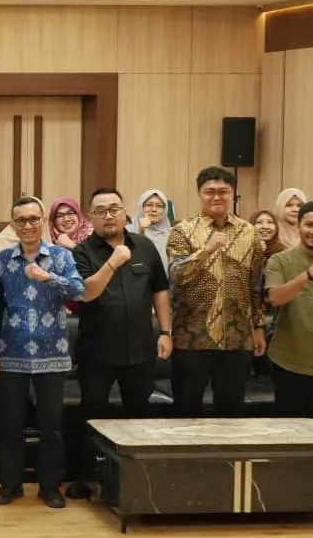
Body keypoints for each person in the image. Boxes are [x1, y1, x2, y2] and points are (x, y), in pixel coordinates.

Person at [66, 188, 172, 500]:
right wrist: (112, 263)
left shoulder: (144, 246)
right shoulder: (82, 252)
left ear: (125, 212)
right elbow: (86, 292)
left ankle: (139, 479)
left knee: (138, 414)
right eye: (101, 211)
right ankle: (88, 478)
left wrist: (166, 331)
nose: (109, 215)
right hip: (97, 352)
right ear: (91, 217)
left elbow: (160, 290)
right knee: (93, 416)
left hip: (140, 349)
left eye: (114, 209)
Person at [0, 196, 85, 509]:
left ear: (43, 221)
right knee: (10, 425)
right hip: (11, 353)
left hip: (52, 354)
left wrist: (49, 277)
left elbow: (79, 290)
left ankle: (50, 486)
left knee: (51, 427)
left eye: (33, 219)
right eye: (21, 220)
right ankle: (10, 484)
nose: (28, 225)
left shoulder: (60, 256)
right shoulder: (2, 260)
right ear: (13, 225)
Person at [167, 166, 266, 417]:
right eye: (209, 191)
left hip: (237, 336)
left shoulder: (249, 232)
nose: (217, 197)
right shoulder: (182, 230)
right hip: (191, 336)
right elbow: (176, 275)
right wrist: (206, 251)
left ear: (232, 193)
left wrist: (258, 327)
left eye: (223, 191)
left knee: (231, 412)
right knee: (186, 410)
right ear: (199, 194)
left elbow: (256, 284)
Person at [264, 202, 313, 415]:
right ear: (297, 226)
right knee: (290, 428)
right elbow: (275, 298)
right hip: (290, 363)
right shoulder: (280, 260)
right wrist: (307, 275)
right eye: (309, 225)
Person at [128, 189, 173, 273]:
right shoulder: (127, 231)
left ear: (165, 210)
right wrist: (141, 231)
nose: (154, 209)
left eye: (159, 206)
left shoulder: (172, 234)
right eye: (149, 205)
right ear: (141, 207)